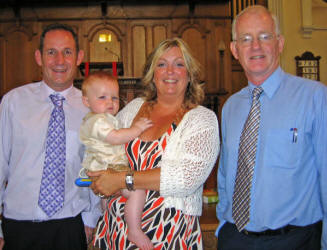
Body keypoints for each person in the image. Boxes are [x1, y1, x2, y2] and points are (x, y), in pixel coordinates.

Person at [88, 37, 220, 249]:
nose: (170, 71)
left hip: (167, 233)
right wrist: (102, 178)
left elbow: (186, 177)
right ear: (152, 73)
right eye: (161, 64)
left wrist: (122, 179)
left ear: (190, 74)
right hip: (117, 229)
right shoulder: (134, 107)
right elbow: (106, 145)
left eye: (179, 64)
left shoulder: (202, 119)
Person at [216, 5, 327, 250]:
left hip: (294, 241)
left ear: (280, 43)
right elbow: (225, 175)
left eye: (265, 36)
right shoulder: (230, 107)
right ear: (235, 50)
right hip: (236, 239)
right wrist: (224, 224)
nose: (255, 46)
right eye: (246, 39)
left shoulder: (315, 98)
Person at [0, 23, 102, 250]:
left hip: (70, 225)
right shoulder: (13, 102)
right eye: (51, 52)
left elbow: (94, 168)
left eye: (67, 52)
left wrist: (91, 216)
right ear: (39, 57)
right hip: (18, 225)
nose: (59, 60)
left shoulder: (92, 108)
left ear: (79, 57)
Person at [79, 71, 153, 249]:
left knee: (108, 199)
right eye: (102, 97)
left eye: (114, 97)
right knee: (137, 191)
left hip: (103, 169)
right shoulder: (97, 121)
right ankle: (134, 229)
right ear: (86, 102)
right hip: (107, 170)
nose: (110, 102)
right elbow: (115, 138)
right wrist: (137, 129)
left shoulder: (104, 118)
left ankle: (105, 216)